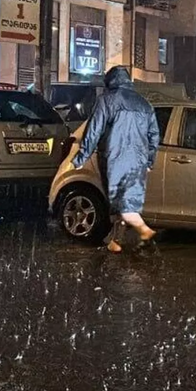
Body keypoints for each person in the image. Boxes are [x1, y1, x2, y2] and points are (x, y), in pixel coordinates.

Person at [72, 66, 161, 253]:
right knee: (128, 199)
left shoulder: (106, 101)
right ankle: (116, 242)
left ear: (109, 81)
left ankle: (145, 231)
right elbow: (154, 135)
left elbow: (93, 131)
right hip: (139, 159)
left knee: (120, 201)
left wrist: (80, 158)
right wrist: (150, 161)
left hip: (114, 158)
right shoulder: (144, 104)